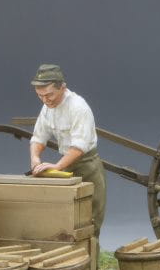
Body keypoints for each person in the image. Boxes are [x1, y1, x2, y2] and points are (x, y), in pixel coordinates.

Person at [28, 64, 106, 237]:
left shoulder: (78, 107)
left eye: (49, 95)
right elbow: (38, 138)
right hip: (66, 166)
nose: (45, 100)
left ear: (62, 87)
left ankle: (90, 254)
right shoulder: (47, 108)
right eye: (40, 96)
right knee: (64, 219)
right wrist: (35, 159)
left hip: (87, 167)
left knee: (90, 219)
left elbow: (79, 147)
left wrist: (57, 166)